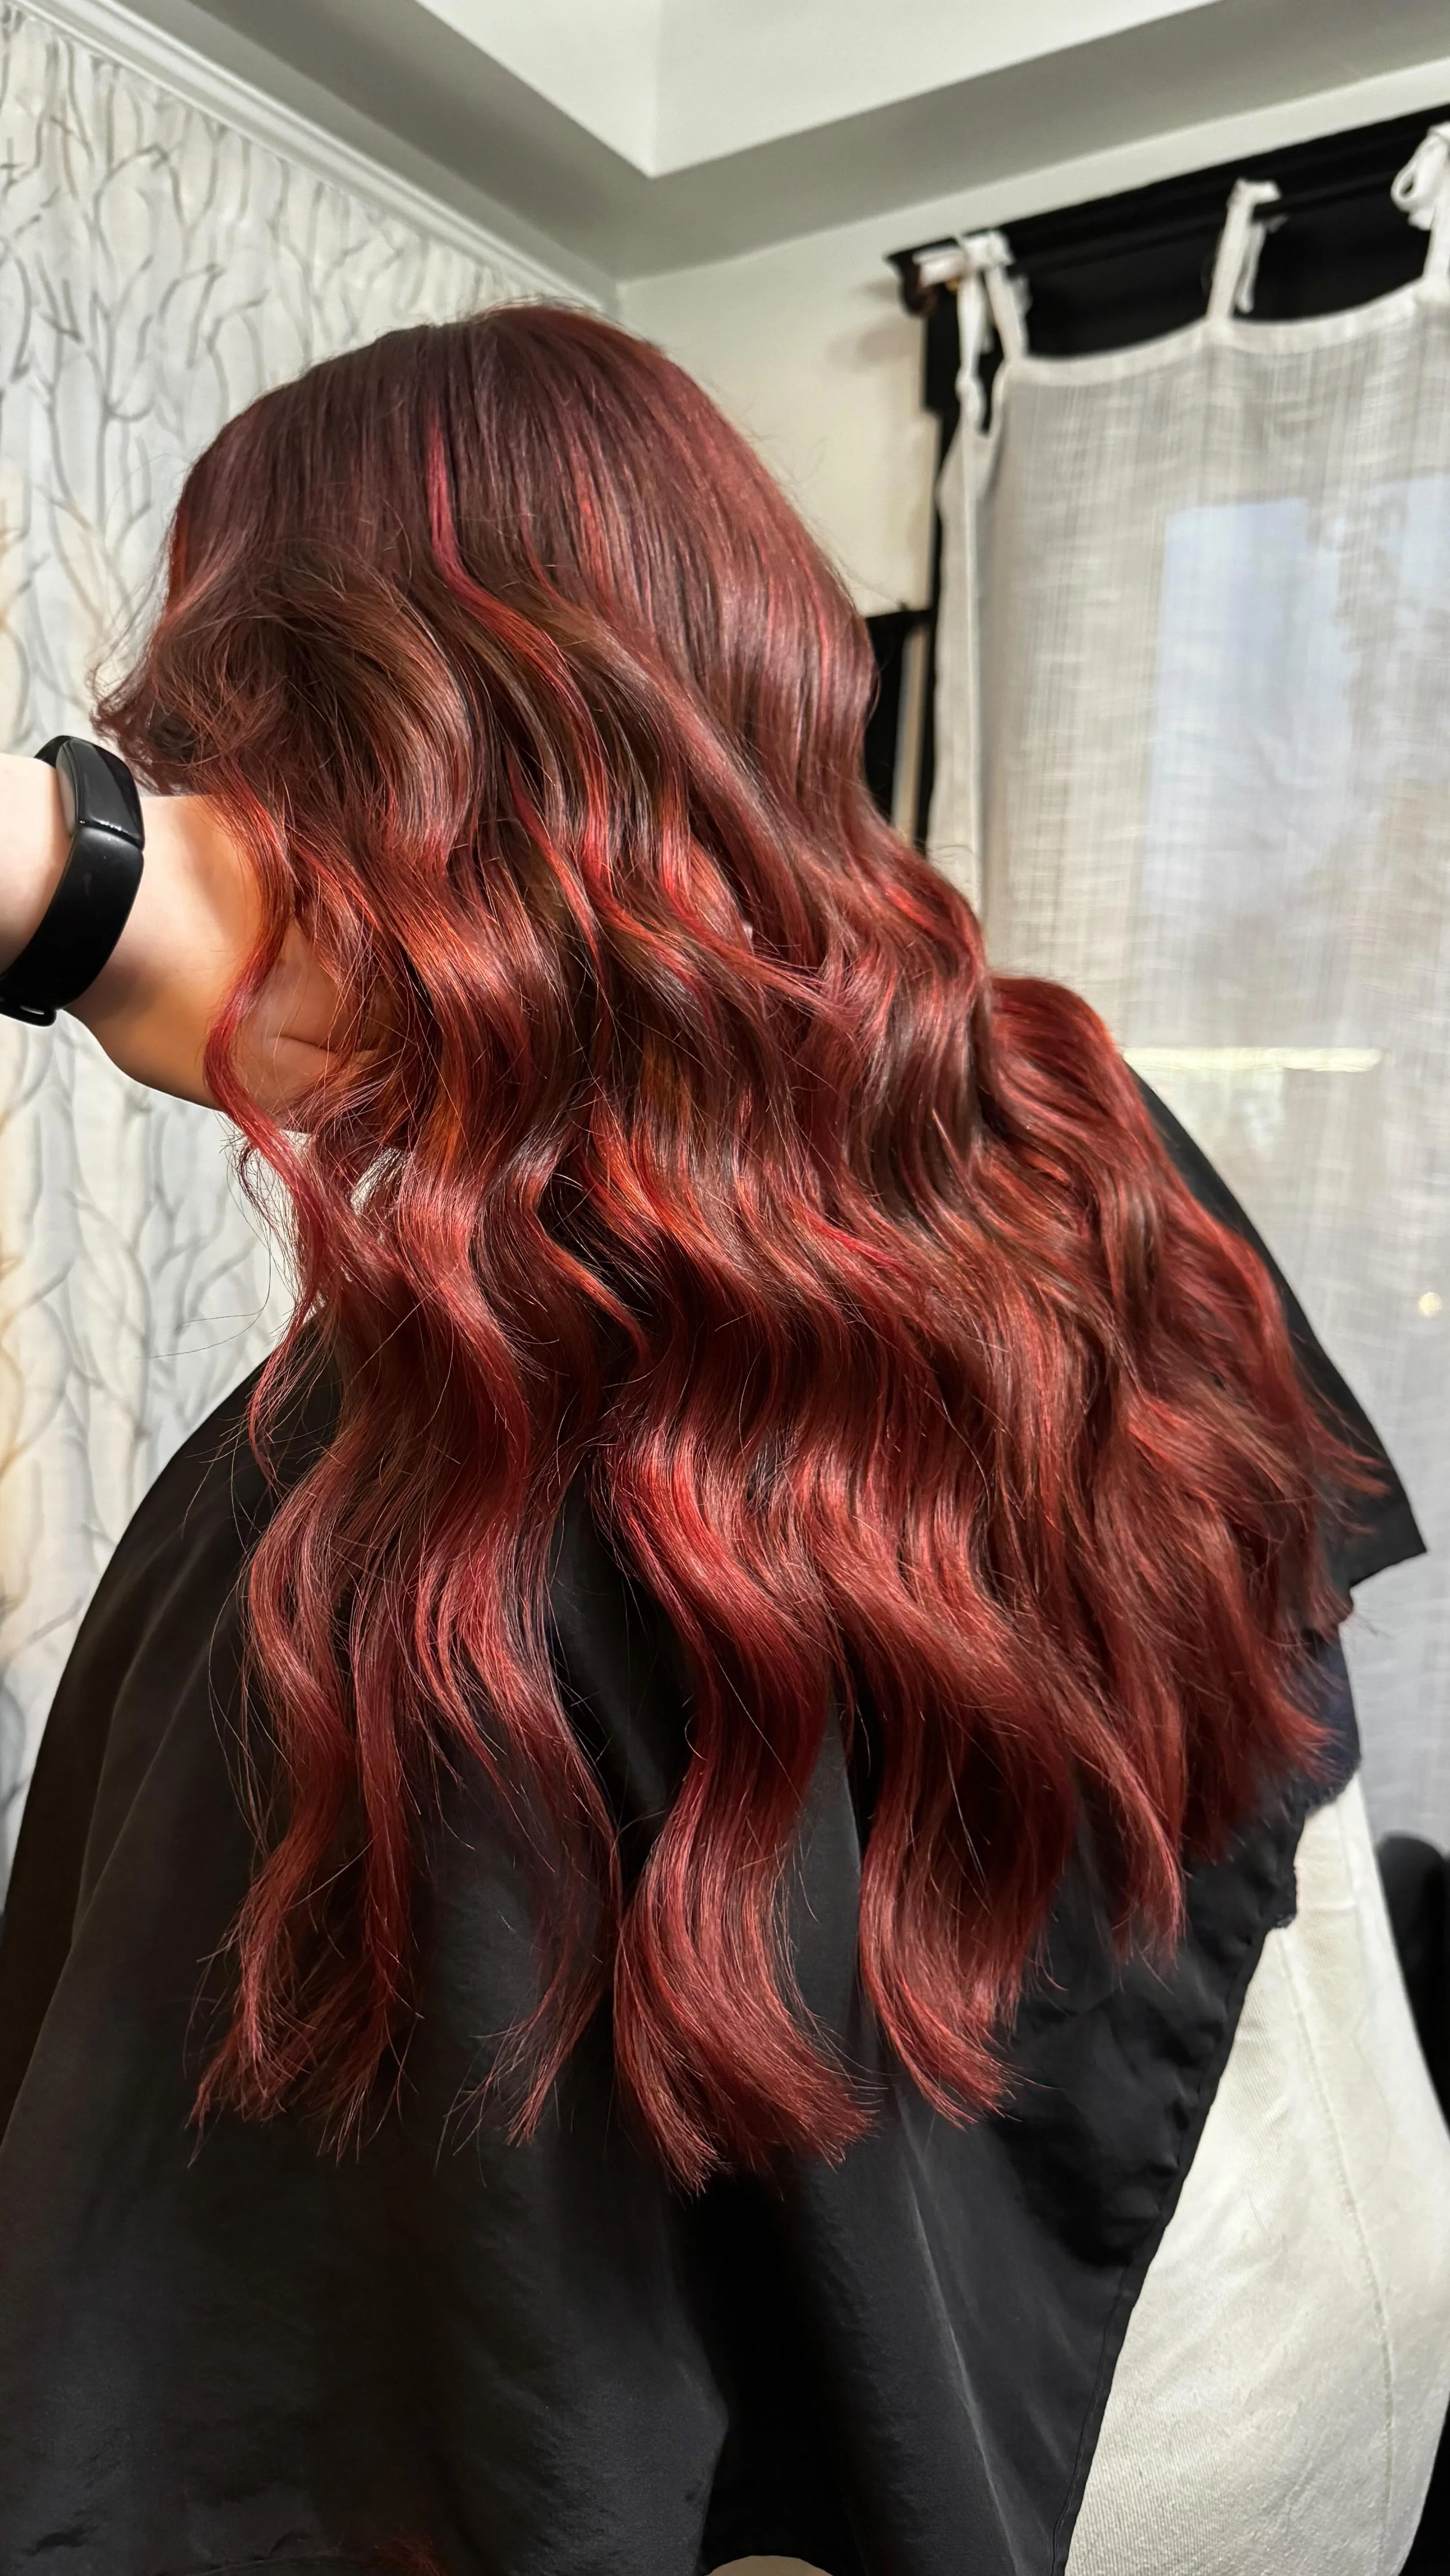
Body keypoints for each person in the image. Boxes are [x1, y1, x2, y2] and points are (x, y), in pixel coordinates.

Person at [0, 305, 1444, 2576]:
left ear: (313, 780)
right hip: (1321, 2324)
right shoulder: (1068, 1130)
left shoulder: (412, 1508)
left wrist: (65, 860)